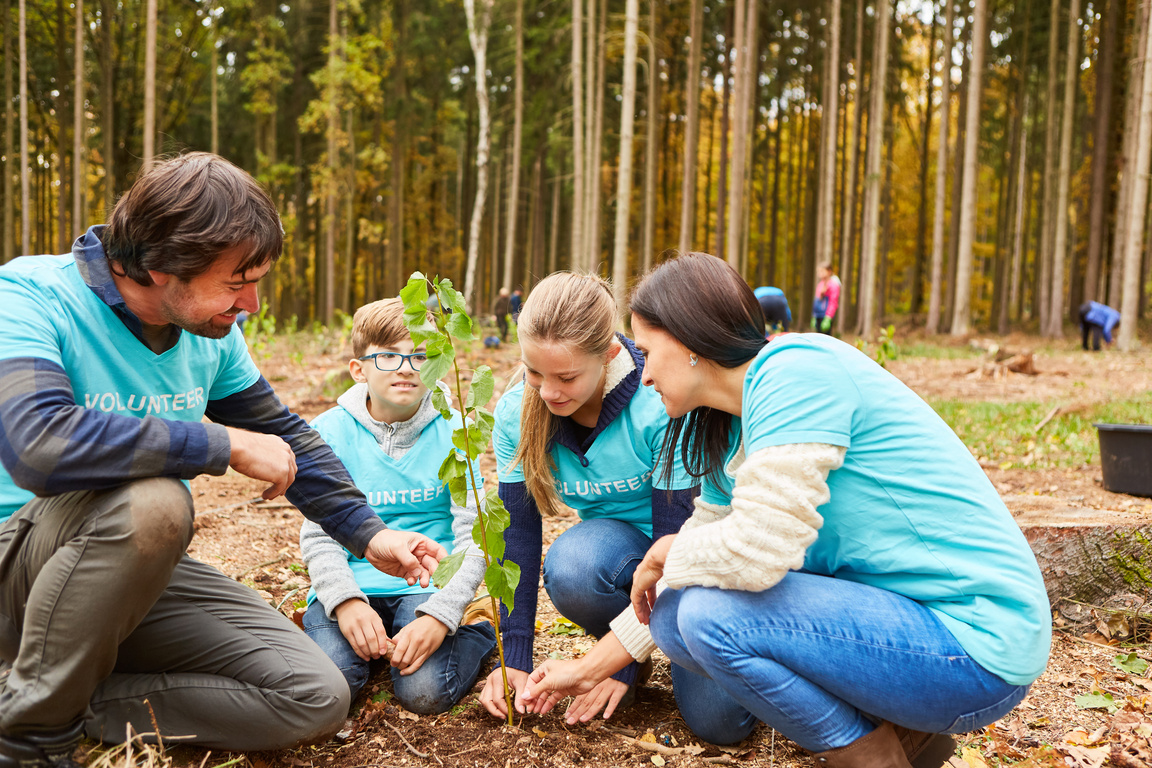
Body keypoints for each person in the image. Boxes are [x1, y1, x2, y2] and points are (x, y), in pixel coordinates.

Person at [0, 153, 447, 764]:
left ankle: (48, 695)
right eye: (237, 282)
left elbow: (285, 434)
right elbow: (38, 445)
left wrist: (370, 536)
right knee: (156, 501)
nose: (253, 303)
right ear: (163, 263)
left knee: (313, 694)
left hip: (122, 577)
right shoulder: (31, 297)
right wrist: (221, 444)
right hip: (17, 565)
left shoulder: (212, 335)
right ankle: (29, 739)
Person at [522, 253, 1051, 768]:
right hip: (906, 628)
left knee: (707, 615)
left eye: (646, 350)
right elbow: (703, 554)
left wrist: (671, 552)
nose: (644, 375)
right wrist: (593, 666)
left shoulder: (796, 373)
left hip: (975, 639)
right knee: (678, 616)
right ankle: (899, 735)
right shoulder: (727, 426)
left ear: (687, 343)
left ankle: (874, 758)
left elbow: (758, 551)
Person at [480, 272, 747, 737]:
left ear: (608, 355)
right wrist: (514, 659)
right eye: (534, 372)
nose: (547, 392)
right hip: (613, 556)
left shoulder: (660, 399)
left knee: (719, 723)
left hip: (689, 548)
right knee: (574, 564)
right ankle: (626, 651)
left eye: (566, 377)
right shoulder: (514, 413)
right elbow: (517, 536)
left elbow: (673, 535)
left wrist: (615, 661)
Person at [299, 297, 496, 714]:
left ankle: (476, 632)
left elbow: (473, 534)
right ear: (358, 369)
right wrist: (345, 600)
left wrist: (440, 614)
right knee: (329, 687)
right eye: (388, 356)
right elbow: (320, 533)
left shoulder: (456, 432)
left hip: (425, 587)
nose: (406, 367)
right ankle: (366, 645)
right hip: (351, 586)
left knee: (425, 692)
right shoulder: (328, 433)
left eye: (420, 356)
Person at [812, 263, 841, 334]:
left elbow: (833, 302)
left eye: (822, 271)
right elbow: (817, 301)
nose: (819, 273)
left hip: (826, 315)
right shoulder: (820, 284)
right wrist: (814, 315)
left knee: (826, 337)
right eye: (818, 271)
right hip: (818, 315)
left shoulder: (833, 285)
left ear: (829, 271)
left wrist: (828, 317)